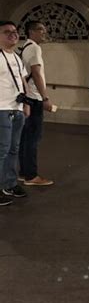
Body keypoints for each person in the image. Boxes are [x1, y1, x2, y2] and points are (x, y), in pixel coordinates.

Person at [18, 21, 54, 186]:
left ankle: (23, 172)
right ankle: (31, 176)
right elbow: (37, 74)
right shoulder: (34, 48)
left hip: (28, 97)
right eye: (41, 30)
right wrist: (45, 97)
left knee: (25, 137)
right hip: (34, 98)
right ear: (31, 31)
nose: (44, 33)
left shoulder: (25, 47)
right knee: (33, 137)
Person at [0, 21, 30, 205]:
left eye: (15, 31)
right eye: (7, 32)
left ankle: (9, 184)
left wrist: (26, 103)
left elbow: (23, 80)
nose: (13, 34)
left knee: (14, 149)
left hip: (17, 108)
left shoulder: (17, 58)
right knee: (1, 150)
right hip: (1, 108)